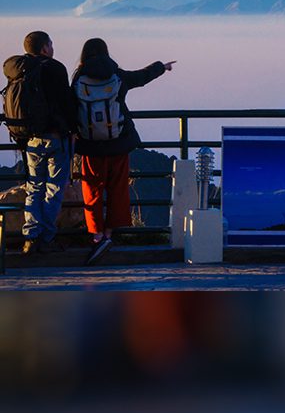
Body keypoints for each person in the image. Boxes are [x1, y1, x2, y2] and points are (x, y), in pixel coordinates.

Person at [71, 38, 175, 265]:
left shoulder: (79, 79)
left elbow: (72, 108)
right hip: (118, 143)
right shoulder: (116, 75)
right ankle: (109, 233)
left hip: (90, 145)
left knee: (92, 189)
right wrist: (161, 67)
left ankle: (96, 235)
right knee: (118, 187)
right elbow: (140, 77)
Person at [3, 30, 77, 254]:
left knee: (34, 187)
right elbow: (66, 102)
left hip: (30, 138)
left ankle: (30, 237)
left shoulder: (18, 70)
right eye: (51, 45)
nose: (53, 49)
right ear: (44, 48)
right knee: (54, 189)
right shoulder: (55, 68)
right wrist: (73, 128)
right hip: (55, 138)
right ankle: (46, 238)